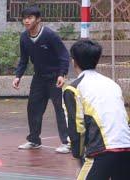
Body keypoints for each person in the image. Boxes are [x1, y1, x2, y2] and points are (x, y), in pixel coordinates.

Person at [63, 39, 130, 179]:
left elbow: (77, 128)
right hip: (126, 147)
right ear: (97, 60)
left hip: (102, 151)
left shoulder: (73, 89)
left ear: (73, 61)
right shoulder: (112, 84)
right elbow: (124, 118)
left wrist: (77, 158)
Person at [12, 6, 70, 153]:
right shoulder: (24, 37)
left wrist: (62, 74)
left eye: (30, 18)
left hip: (55, 77)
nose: (26, 21)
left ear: (38, 19)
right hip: (38, 78)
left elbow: (64, 56)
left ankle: (67, 142)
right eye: (24, 18)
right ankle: (34, 140)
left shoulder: (50, 35)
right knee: (33, 108)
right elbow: (24, 59)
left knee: (60, 109)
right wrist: (18, 76)